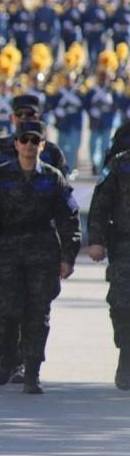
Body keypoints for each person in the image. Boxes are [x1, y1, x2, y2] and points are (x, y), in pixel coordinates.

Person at [0, 94, 68, 379]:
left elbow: (63, 201)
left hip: (38, 244)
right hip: (0, 242)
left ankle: (21, 361)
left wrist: (65, 251)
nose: (25, 120)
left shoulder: (52, 154)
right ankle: (4, 347)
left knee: (33, 306)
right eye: (21, 115)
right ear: (12, 118)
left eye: (32, 116)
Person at [88, 148, 130, 390]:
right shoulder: (120, 163)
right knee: (122, 305)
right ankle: (126, 353)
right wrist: (96, 239)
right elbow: (101, 203)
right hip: (125, 245)